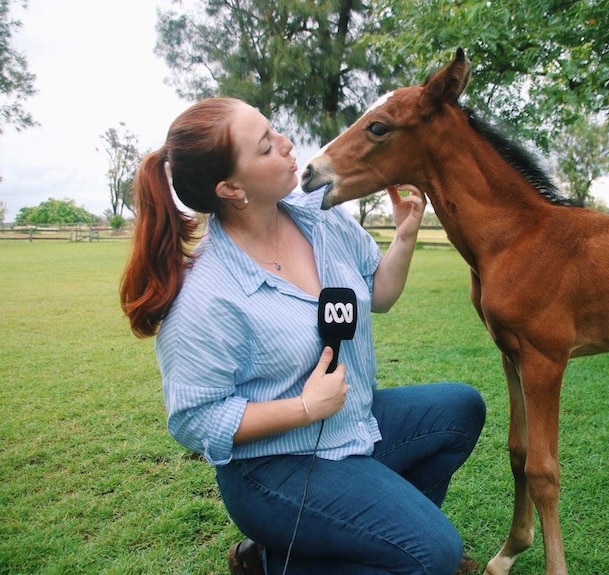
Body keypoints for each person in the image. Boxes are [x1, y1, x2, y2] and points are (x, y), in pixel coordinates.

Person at [120, 97, 486, 575]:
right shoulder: (205, 295)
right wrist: (304, 407)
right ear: (231, 187)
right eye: (266, 146)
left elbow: (378, 294)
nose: (288, 144)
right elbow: (196, 421)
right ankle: (289, 563)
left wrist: (405, 236)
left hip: (350, 423)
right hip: (276, 467)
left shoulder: (320, 214)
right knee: (436, 553)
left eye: (276, 132)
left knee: (460, 409)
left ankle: (343, 547)